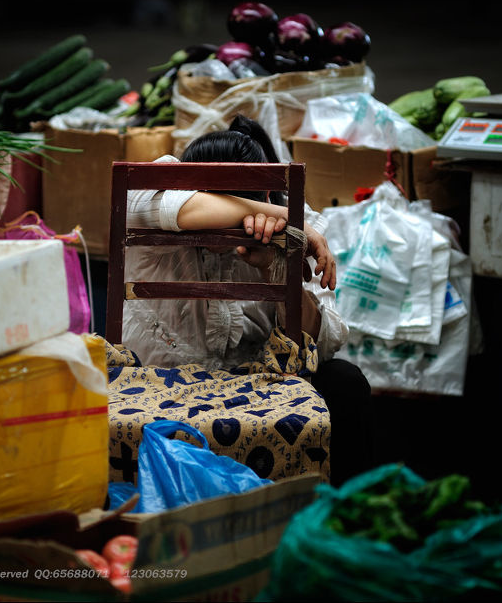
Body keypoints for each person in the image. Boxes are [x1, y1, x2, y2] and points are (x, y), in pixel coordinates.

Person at [122, 114, 373, 484]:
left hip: (254, 390)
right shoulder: (153, 204)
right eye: (213, 200)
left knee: (343, 380)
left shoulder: (285, 236)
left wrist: (275, 269)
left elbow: (321, 344)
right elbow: (177, 205)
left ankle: (336, 516)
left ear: (267, 195)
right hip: (159, 385)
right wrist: (277, 214)